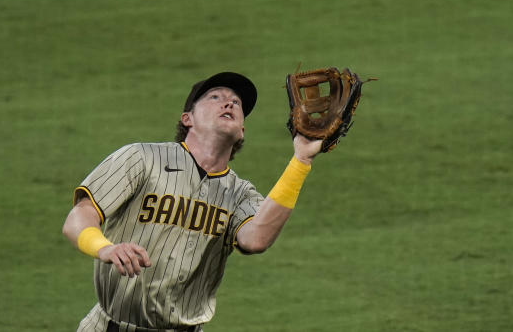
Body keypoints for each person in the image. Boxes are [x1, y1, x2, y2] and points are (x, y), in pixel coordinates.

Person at [62, 71, 323, 332]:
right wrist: (104, 248)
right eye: (215, 97)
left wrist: (301, 161)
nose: (229, 103)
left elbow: (255, 239)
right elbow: (78, 217)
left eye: (237, 103)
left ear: (242, 131)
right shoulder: (141, 158)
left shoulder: (240, 194)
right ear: (188, 118)